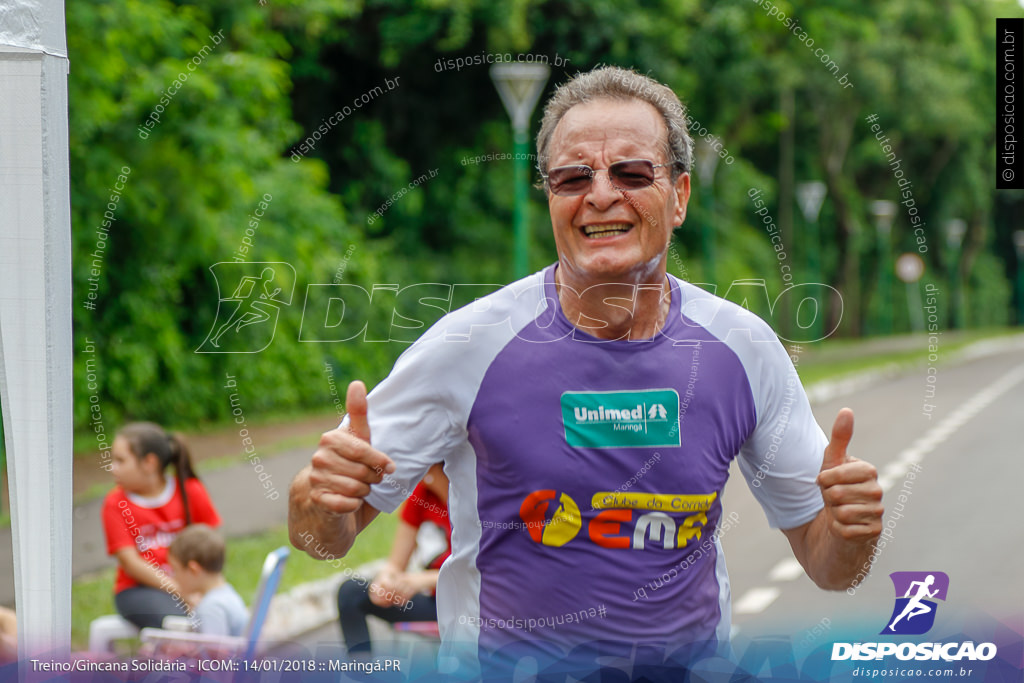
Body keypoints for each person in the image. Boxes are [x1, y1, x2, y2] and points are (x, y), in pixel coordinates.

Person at [288, 66, 883, 677]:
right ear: (551, 199)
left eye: (631, 173)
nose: (600, 195)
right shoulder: (465, 347)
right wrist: (316, 498)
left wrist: (850, 533)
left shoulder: (743, 349)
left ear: (678, 196)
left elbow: (830, 565)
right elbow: (321, 536)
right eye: (573, 177)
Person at [102, 422, 221, 629]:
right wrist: (181, 591)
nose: (112, 468)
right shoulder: (115, 504)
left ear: (149, 462)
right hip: (138, 590)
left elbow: (209, 548)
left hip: (190, 584)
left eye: (121, 460)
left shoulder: (191, 491)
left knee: (219, 613)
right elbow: (130, 563)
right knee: (179, 625)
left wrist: (203, 589)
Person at [337, 463, 450, 655]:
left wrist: (423, 580)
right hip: (435, 605)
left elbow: (484, 573)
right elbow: (395, 564)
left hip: (474, 608)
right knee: (351, 593)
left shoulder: (482, 498)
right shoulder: (422, 495)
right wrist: (386, 581)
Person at [167, 524, 248, 637]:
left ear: (193, 570)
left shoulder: (211, 608)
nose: (174, 578)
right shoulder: (225, 594)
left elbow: (215, 651)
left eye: (176, 570)